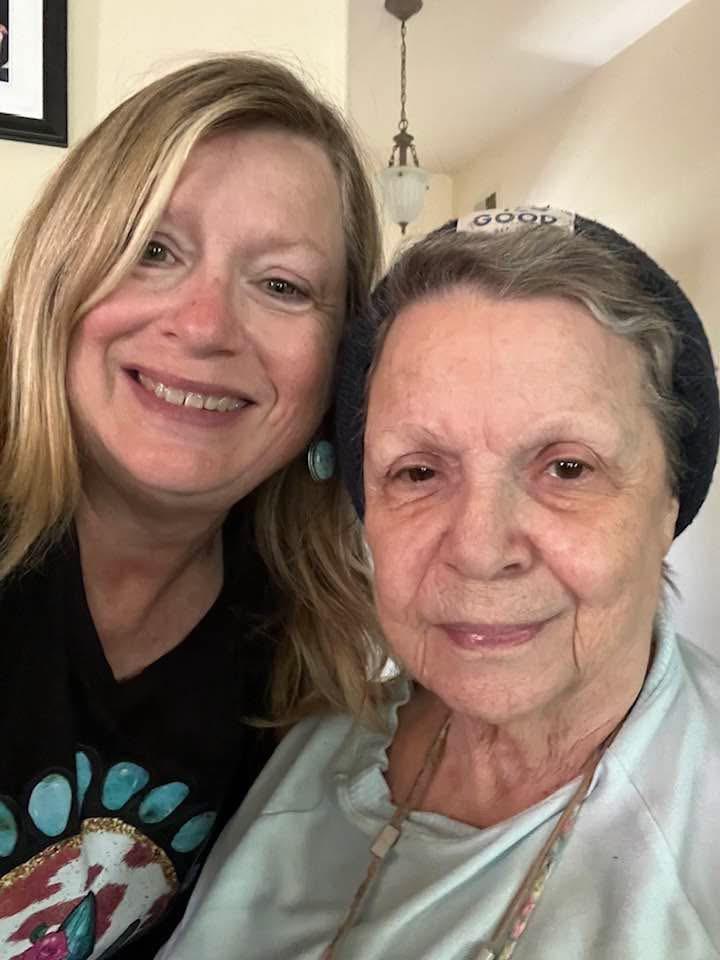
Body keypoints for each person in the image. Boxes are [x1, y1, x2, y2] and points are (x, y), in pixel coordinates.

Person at [157, 206, 720, 959]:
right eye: (418, 472)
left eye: (567, 468)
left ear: (669, 498)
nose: (480, 550)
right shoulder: (306, 741)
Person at [0, 55, 381, 959]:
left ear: (341, 362)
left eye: (282, 286)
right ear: (62, 273)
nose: (206, 326)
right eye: (154, 250)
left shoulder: (302, 652)